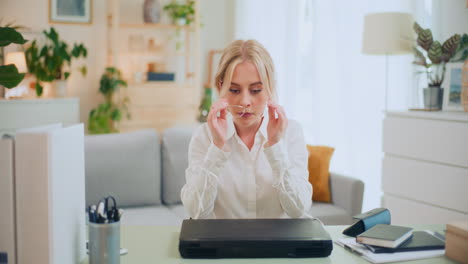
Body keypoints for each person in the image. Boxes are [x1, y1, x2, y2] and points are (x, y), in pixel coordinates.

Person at [181, 39, 312, 219]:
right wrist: (217, 147)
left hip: (276, 245)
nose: (244, 102)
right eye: (234, 90)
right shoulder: (204, 136)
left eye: (256, 90)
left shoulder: (291, 132)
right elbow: (197, 212)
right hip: (225, 245)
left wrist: (275, 146)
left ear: (270, 88)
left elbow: (298, 210)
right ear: (221, 87)